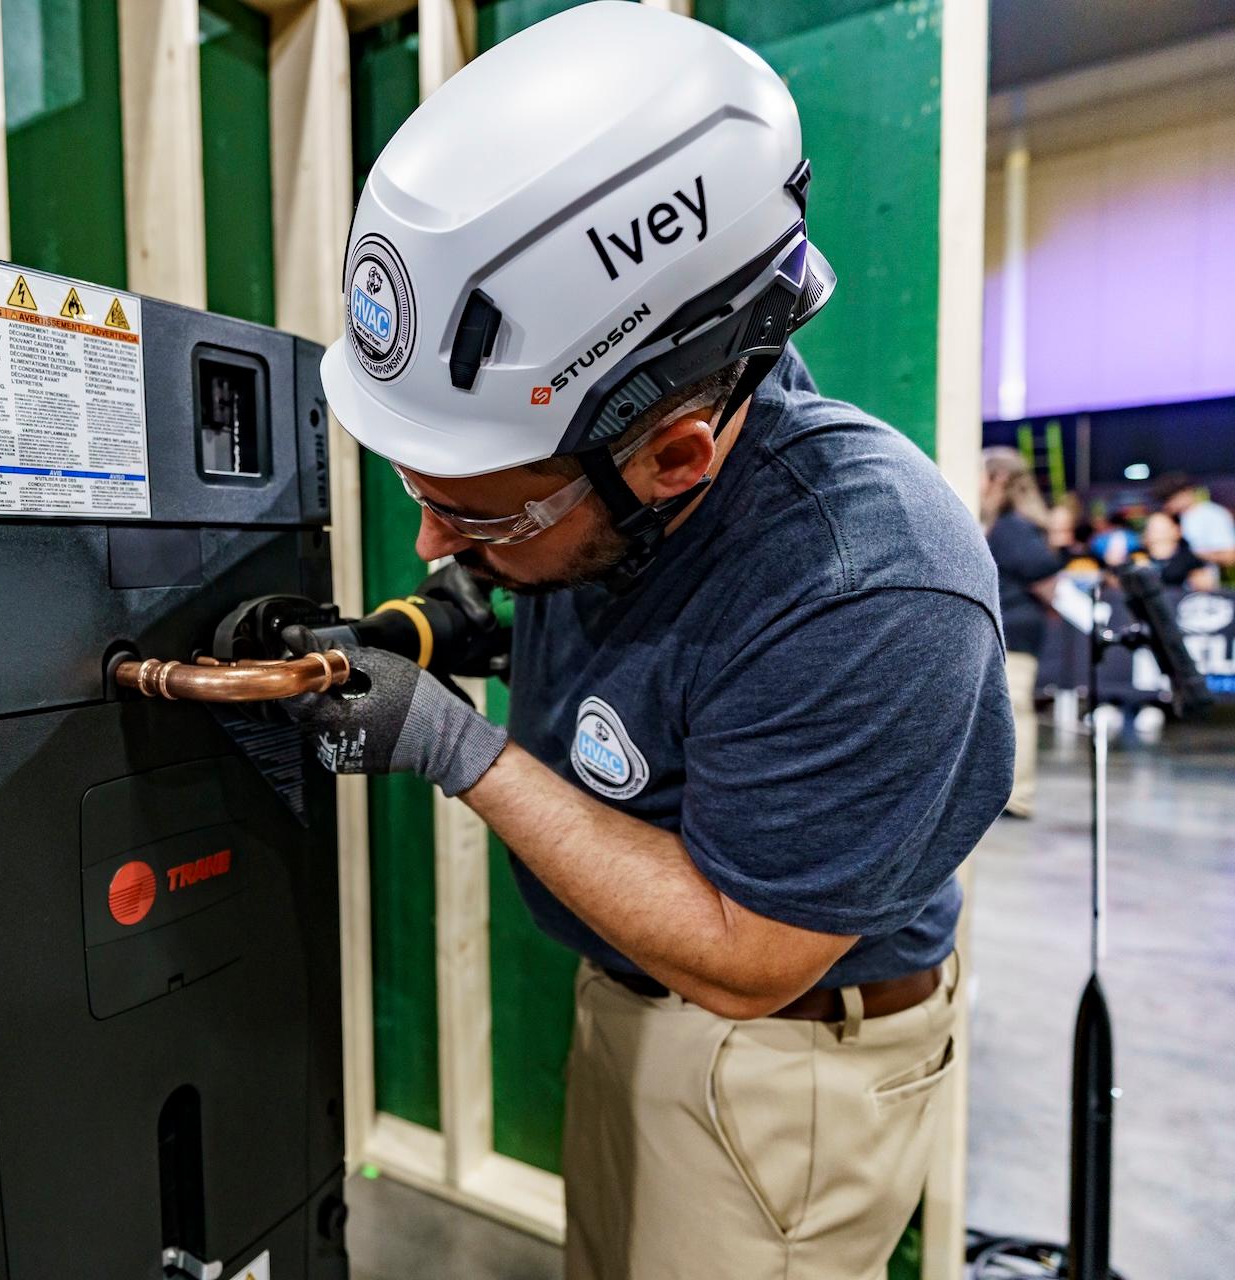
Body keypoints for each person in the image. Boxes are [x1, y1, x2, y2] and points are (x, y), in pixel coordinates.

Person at [279, 6, 1013, 1277]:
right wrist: (458, 624)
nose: (430, 542)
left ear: (673, 455)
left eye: (475, 511)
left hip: (779, 1063)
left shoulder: (873, 585)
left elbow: (749, 952)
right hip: (632, 1001)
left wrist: (452, 745)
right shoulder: (616, 487)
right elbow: (655, 641)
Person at [981, 448, 1061, 819]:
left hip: (1016, 627)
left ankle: (1018, 795)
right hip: (1009, 626)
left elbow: (1044, 574)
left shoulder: (1012, 527)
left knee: (1014, 708)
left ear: (998, 479)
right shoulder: (1006, 524)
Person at [1151, 471, 1235, 577]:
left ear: (1186, 491)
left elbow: (1229, 556)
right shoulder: (1175, 518)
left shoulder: (1213, 514)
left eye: (1171, 499)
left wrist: (1193, 556)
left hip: (1204, 587)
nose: (1169, 505)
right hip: (1175, 585)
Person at [1140, 511, 1220, 591]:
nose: (1156, 534)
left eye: (1161, 529)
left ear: (1177, 530)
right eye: (1152, 529)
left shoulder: (1191, 560)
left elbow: (1206, 589)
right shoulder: (1137, 559)